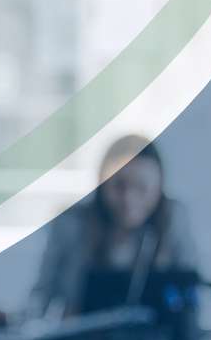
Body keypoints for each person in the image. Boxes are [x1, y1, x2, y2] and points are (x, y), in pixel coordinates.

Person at [26, 134, 199, 319]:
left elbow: (193, 297)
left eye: (142, 187)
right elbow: (41, 295)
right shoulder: (71, 223)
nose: (129, 200)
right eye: (118, 186)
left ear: (158, 188)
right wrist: (19, 322)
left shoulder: (174, 219)